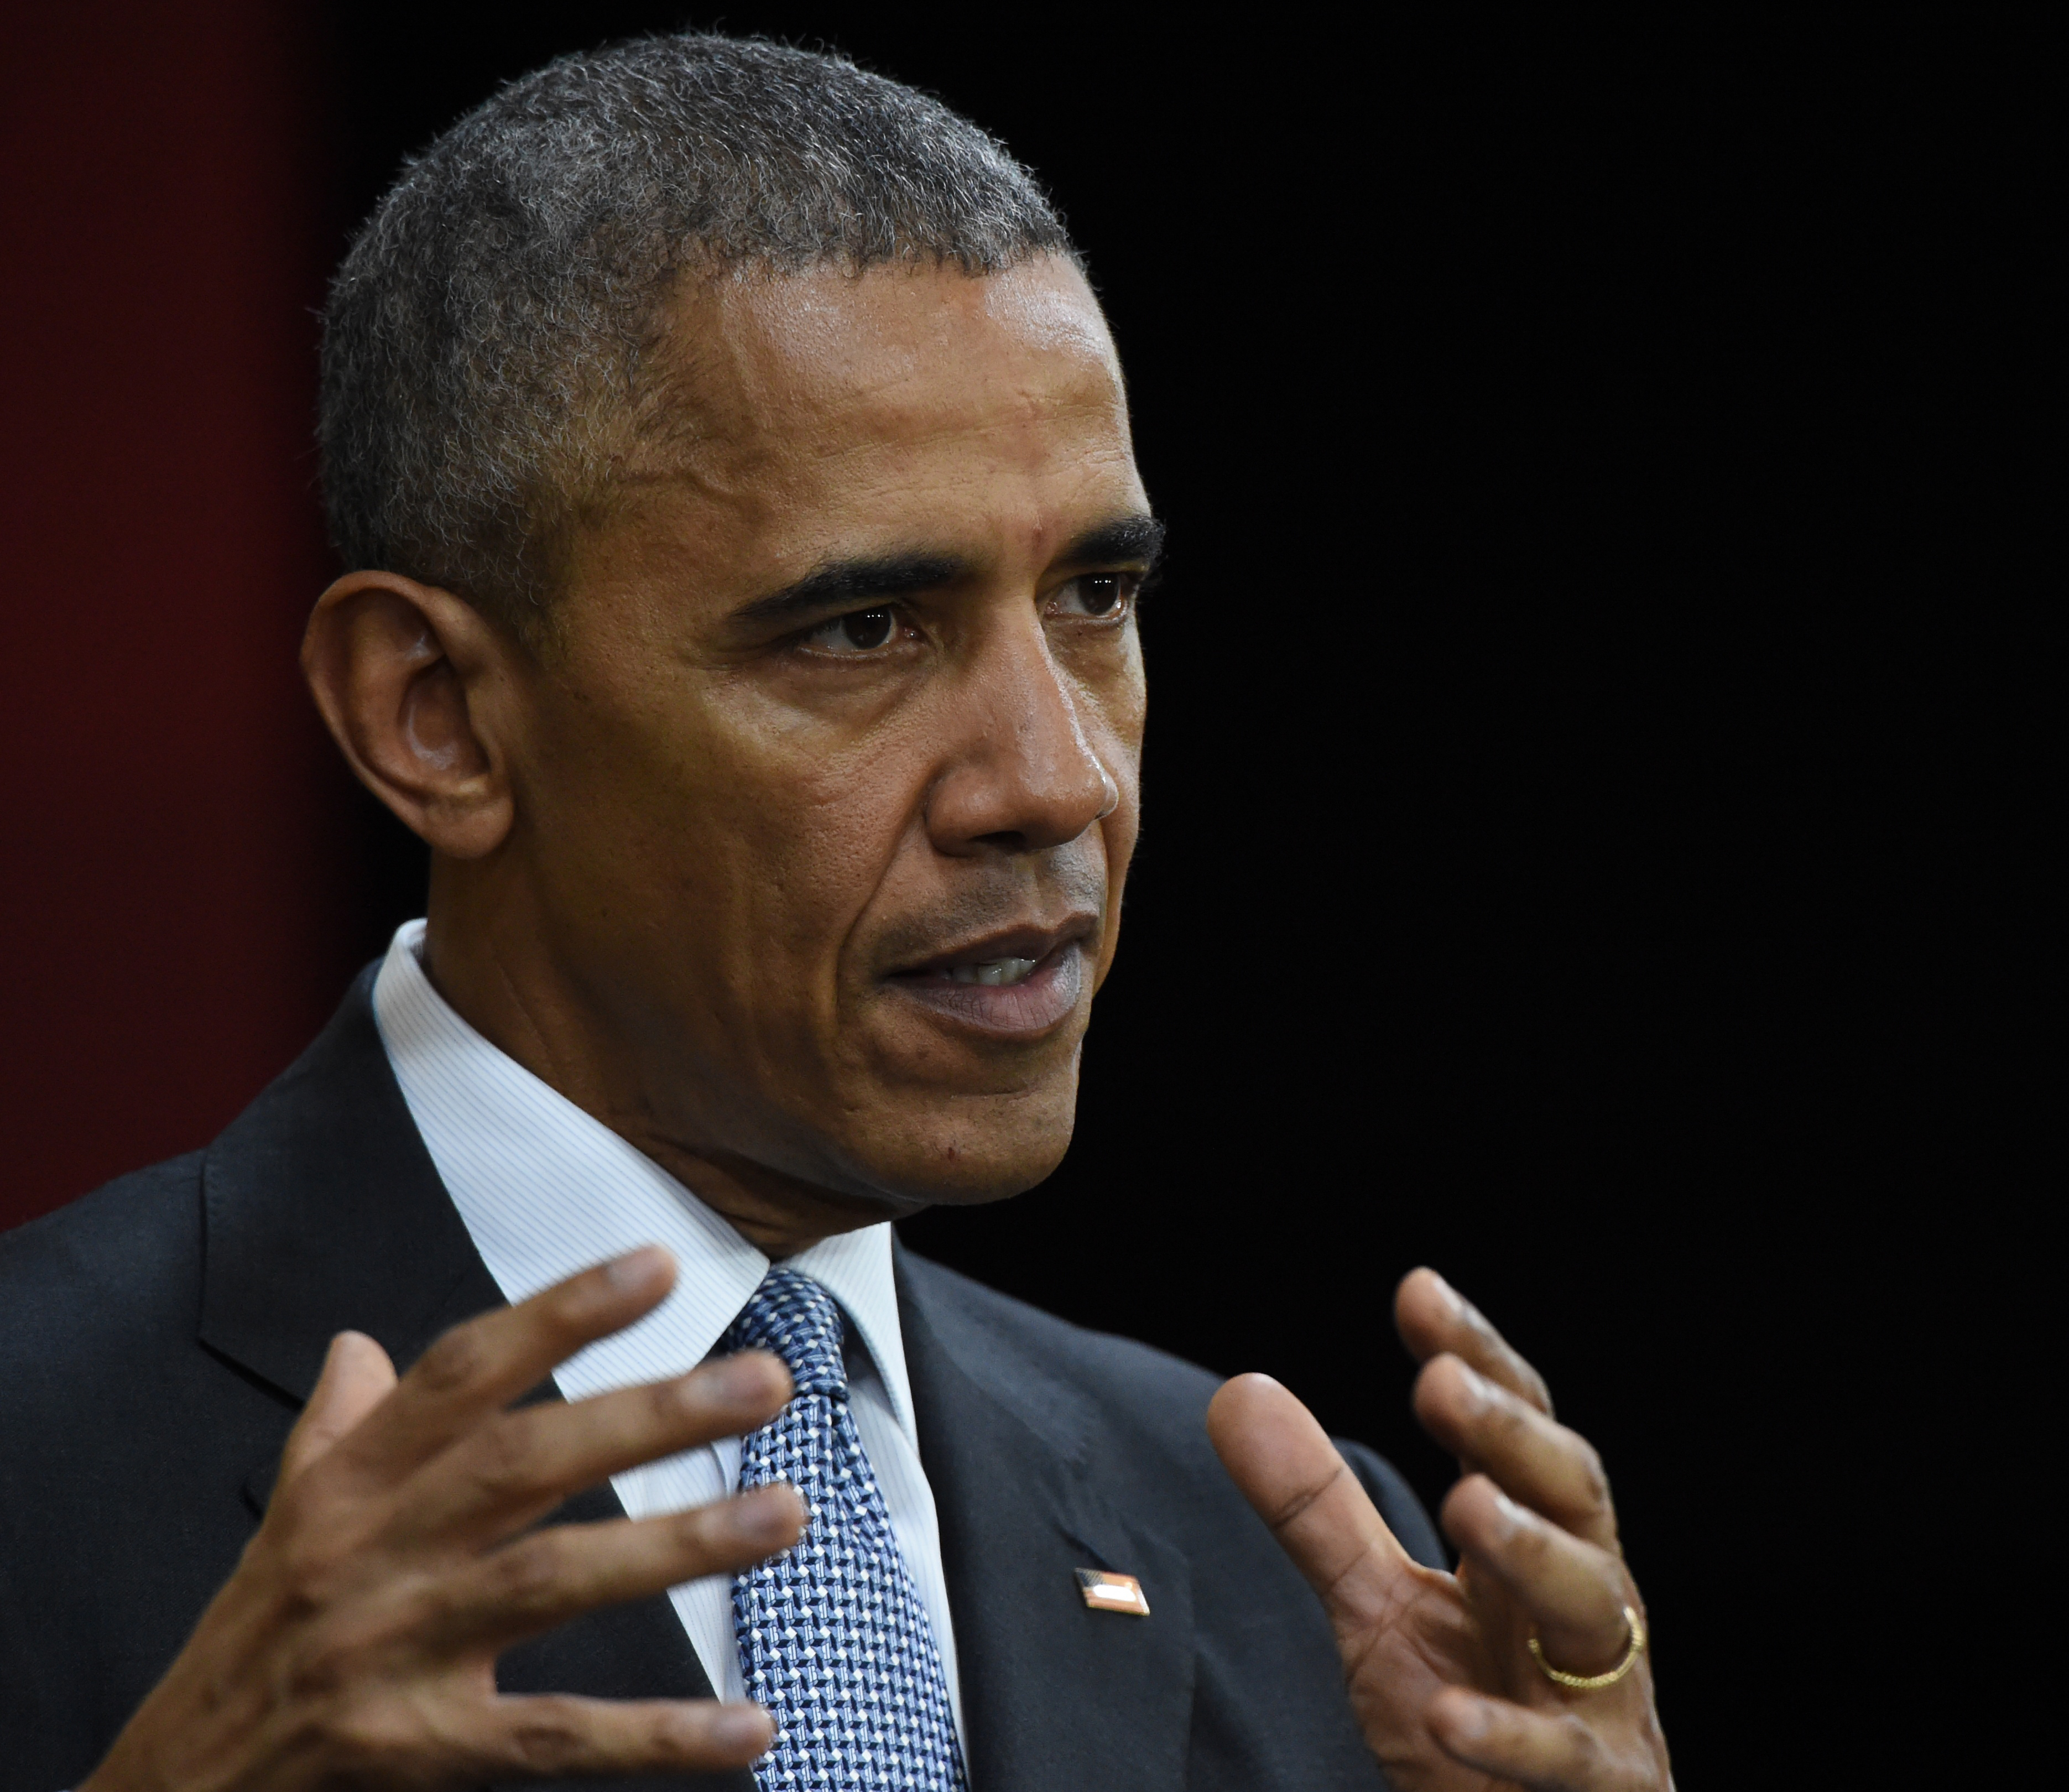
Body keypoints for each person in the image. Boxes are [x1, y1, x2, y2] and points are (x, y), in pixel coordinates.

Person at [0, 35, 1673, 1792]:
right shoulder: (41, 1467)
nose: (1054, 781)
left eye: (1096, 596)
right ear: (438, 716)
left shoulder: (1292, 1566)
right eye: (862, 629)